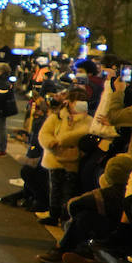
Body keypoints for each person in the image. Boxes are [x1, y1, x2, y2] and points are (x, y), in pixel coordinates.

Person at [38, 88, 92, 225]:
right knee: (55, 188)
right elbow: (44, 133)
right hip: (54, 157)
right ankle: (53, 214)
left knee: (68, 190)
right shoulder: (57, 117)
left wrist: (62, 140)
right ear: (69, 102)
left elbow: (82, 134)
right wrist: (50, 142)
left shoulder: (88, 120)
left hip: (72, 160)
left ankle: (65, 216)